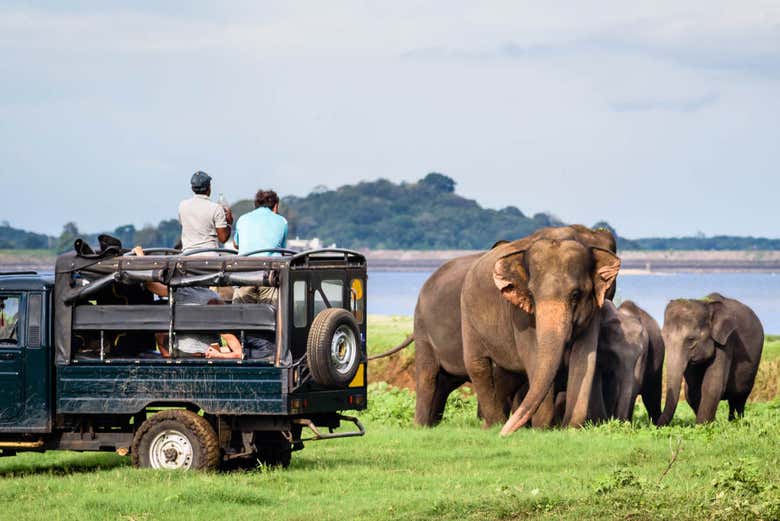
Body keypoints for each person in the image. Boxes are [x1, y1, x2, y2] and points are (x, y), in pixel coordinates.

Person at [133, 247, 243, 358]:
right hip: (191, 353)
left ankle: (167, 358)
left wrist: (141, 257)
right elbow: (238, 351)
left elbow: (151, 285)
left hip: (191, 354)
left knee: (160, 332)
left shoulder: (184, 292)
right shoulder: (200, 294)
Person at [232, 189, 288, 304]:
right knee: (272, 315)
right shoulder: (282, 221)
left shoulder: (242, 219)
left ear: (256, 205)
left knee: (241, 316)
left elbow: (236, 245)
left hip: (244, 274)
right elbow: (281, 250)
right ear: (276, 205)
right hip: (269, 275)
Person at [178, 171, 233, 253]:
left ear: (192, 189)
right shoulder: (216, 208)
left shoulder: (182, 206)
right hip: (210, 256)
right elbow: (223, 238)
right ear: (209, 188)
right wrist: (229, 223)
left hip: (187, 256)